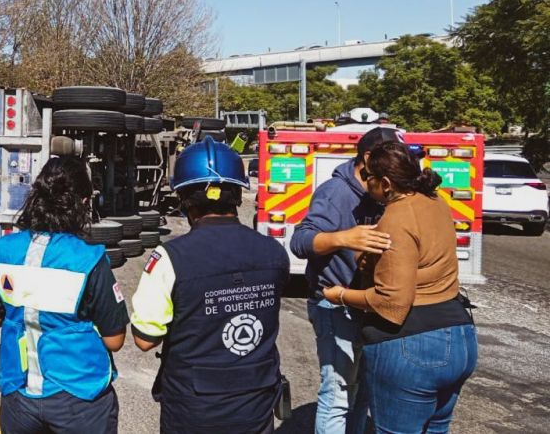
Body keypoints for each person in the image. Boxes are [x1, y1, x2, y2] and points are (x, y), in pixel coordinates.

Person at [131, 137, 290, 433]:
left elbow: (145, 339)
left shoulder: (170, 258)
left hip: (194, 407)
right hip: (255, 403)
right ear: (237, 196)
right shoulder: (274, 252)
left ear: (184, 200)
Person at [323, 141, 478, 433]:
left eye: (368, 177)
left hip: (414, 346)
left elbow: (392, 302)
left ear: (385, 183)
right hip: (459, 338)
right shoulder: (435, 201)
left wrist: (340, 295)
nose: (364, 182)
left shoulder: (396, 218)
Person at [0, 157, 129, 434]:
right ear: (83, 203)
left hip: (18, 391)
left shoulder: (0, 252)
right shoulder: (89, 259)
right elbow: (114, 339)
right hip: (78, 394)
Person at [289, 127, 402, 434]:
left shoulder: (384, 194)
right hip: (334, 305)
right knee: (338, 392)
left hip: (368, 306)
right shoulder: (335, 193)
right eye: (390, 160)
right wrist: (343, 238)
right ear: (368, 159)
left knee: (365, 389)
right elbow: (300, 241)